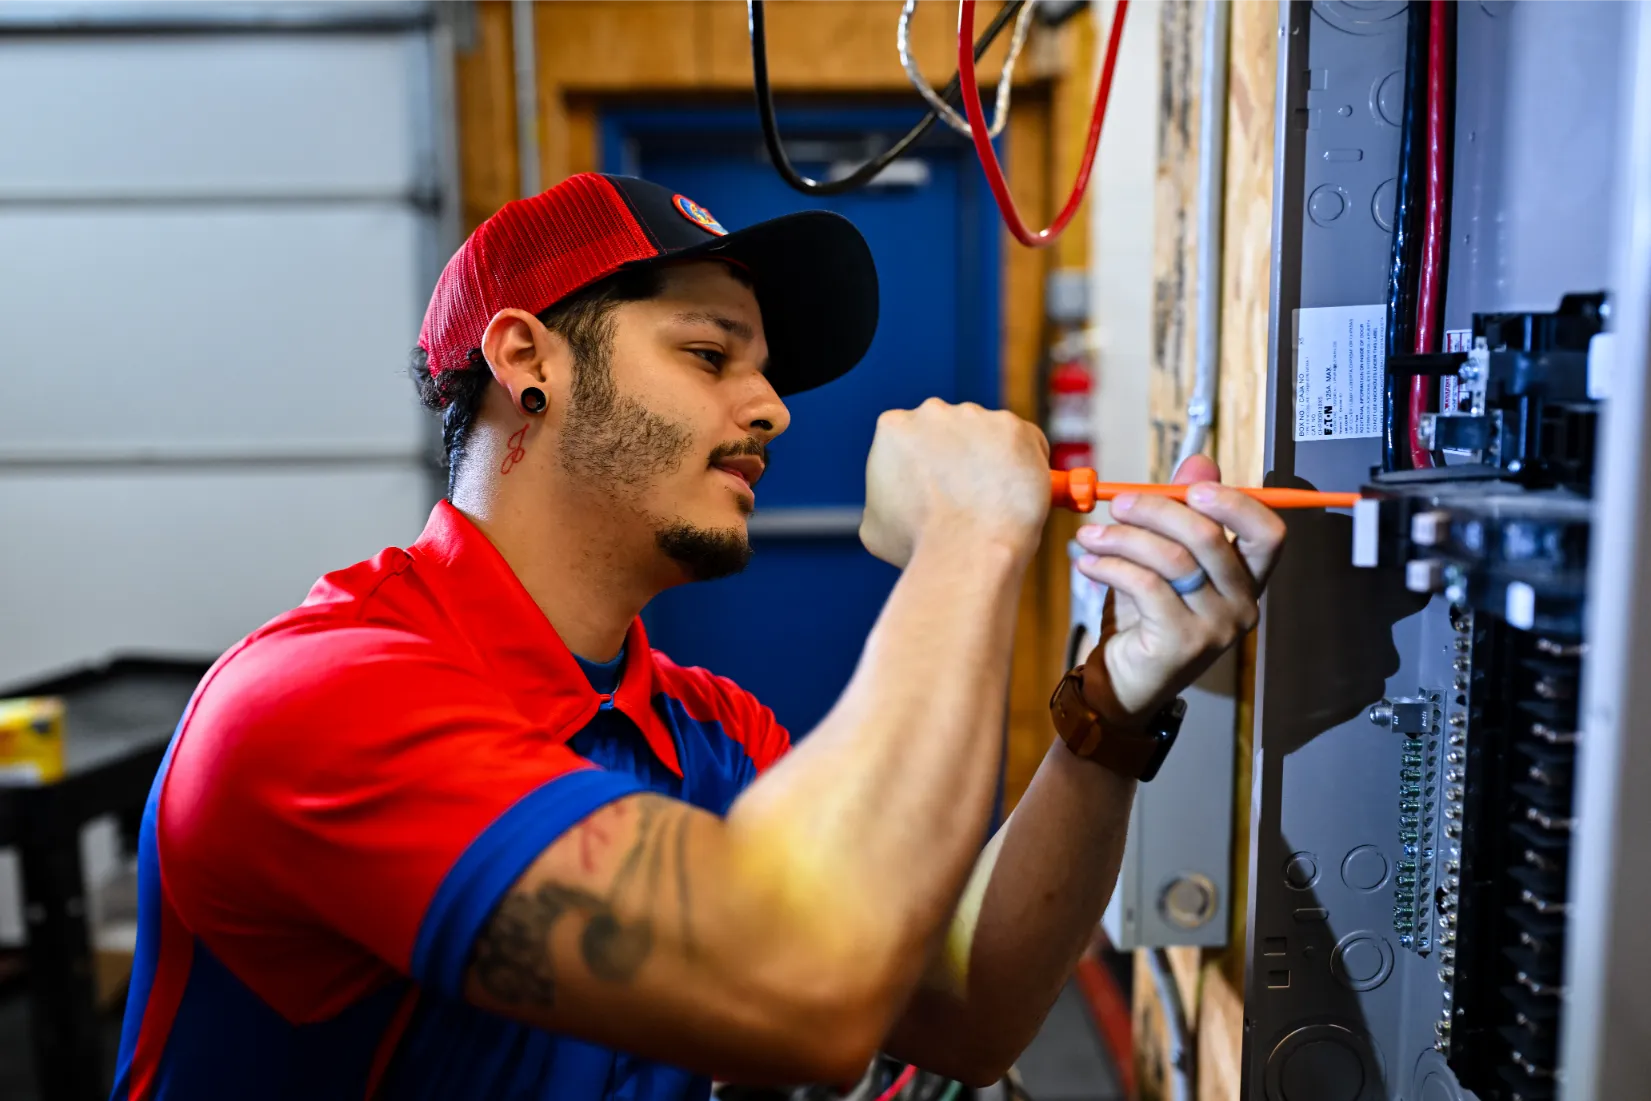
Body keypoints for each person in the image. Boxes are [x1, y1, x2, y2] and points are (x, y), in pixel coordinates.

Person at [109, 174, 1284, 1100]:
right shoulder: (319, 704)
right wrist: (967, 535)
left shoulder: (702, 731)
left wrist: (1110, 709)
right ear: (526, 363)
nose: (770, 410)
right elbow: (803, 989)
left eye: (762, 374)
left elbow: (964, 1015)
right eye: (710, 355)